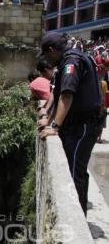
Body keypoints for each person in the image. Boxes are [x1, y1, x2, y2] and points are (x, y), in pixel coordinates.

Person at [38, 32, 103, 216]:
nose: (46, 60)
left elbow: (67, 95)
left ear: (51, 50)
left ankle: (77, 216)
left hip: (83, 125)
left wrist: (54, 127)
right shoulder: (68, 59)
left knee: (75, 171)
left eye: (46, 55)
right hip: (78, 124)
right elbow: (57, 92)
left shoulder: (71, 62)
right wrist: (48, 119)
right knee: (77, 169)